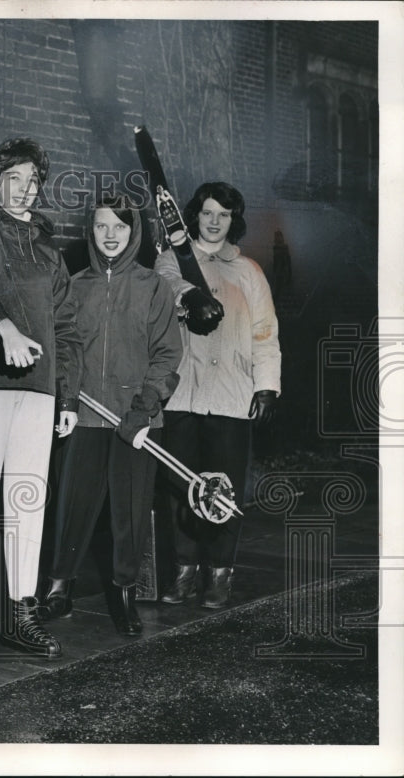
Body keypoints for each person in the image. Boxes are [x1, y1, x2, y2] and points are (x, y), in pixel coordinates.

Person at [0, 137, 80, 659]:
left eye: (33, 182)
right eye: (14, 179)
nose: (25, 190)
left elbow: (66, 324)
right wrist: (4, 330)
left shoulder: (47, 246)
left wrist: (66, 396)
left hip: (40, 388)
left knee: (28, 501)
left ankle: (21, 616)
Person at [39, 197, 181, 635]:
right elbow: (62, 349)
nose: (111, 235)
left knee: (131, 511)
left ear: (133, 231)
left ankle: (124, 592)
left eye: (120, 227)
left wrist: (145, 406)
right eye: (102, 227)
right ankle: (58, 586)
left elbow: (168, 354)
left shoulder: (153, 286)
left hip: (135, 421)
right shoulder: (75, 285)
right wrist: (66, 399)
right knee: (71, 506)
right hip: (83, 414)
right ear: (92, 232)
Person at [154, 181, 281, 609]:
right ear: (195, 215)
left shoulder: (249, 272)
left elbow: (265, 333)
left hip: (231, 395)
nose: (214, 221)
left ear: (233, 220)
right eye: (207, 212)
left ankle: (220, 574)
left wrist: (266, 386)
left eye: (223, 215)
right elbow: (164, 287)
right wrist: (191, 293)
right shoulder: (171, 260)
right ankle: (184, 571)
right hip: (182, 394)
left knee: (223, 488)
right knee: (180, 486)